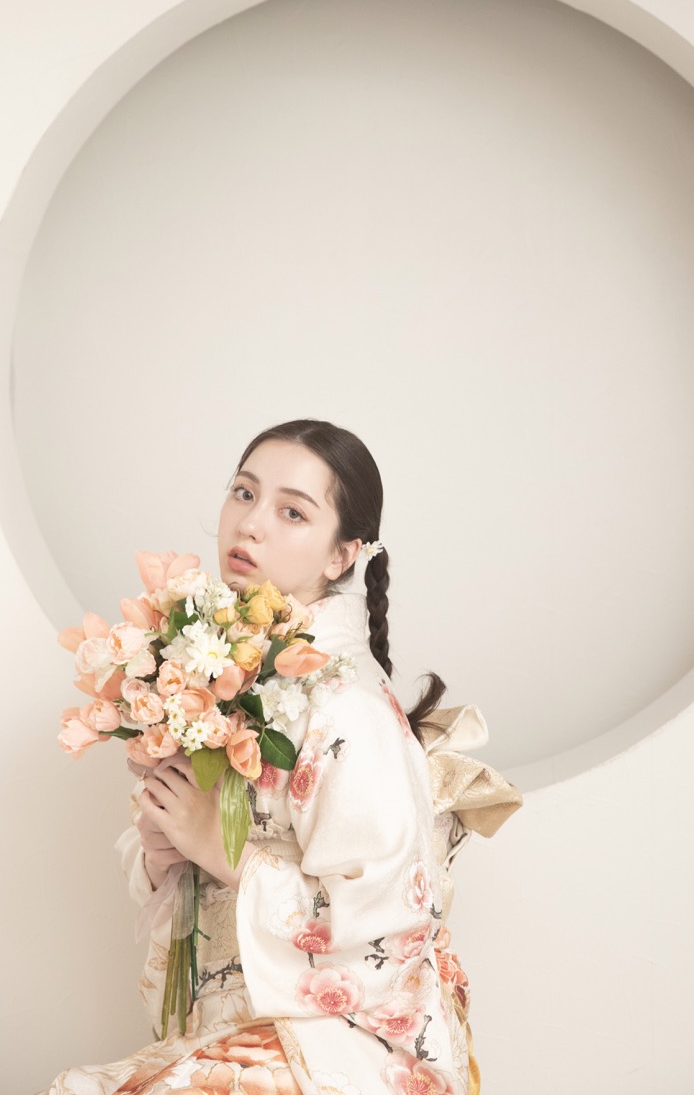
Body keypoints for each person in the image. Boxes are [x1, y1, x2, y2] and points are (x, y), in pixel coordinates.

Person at [45, 419, 521, 1095]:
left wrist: (226, 851)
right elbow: (192, 876)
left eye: (292, 512)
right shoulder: (221, 669)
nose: (250, 523)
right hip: (243, 1028)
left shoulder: (346, 702)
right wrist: (161, 847)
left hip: (345, 1039)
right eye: (243, 493)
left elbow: (389, 920)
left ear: (341, 555)